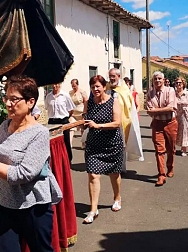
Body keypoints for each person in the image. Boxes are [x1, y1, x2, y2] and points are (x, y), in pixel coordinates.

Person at [0, 75, 62, 252]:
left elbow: (24, 174)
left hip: (33, 206)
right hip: (4, 203)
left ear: (30, 102)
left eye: (14, 99)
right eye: (7, 99)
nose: (8, 104)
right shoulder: (7, 125)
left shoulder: (38, 134)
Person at [82, 75, 124, 224]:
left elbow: (117, 123)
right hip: (94, 145)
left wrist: (98, 125)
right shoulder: (89, 102)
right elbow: (85, 117)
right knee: (93, 175)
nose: (95, 89)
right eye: (93, 87)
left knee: (114, 173)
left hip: (112, 144)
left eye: (98, 86)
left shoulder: (114, 101)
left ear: (104, 87)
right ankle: (93, 210)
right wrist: (83, 124)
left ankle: (117, 197)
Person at [146, 71, 177, 186]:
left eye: (159, 78)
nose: (157, 81)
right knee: (159, 150)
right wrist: (159, 110)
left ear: (163, 80)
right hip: (157, 124)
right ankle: (161, 174)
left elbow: (171, 108)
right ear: (152, 80)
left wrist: (156, 110)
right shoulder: (150, 92)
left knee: (171, 149)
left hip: (170, 123)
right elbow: (149, 110)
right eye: (155, 79)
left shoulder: (170, 90)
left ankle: (170, 167)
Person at [107, 68, 144, 165]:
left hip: (123, 121)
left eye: (113, 76)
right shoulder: (107, 88)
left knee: (121, 143)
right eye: (110, 76)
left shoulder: (124, 89)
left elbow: (129, 106)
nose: (111, 78)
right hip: (108, 120)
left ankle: (120, 166)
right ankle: (110, 164)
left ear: (118, 77)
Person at [45, 83, 75, 162]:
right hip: (52, 121)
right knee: (52, 142)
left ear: (60, 84)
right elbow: (47, 108)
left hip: (63, 121)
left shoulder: (65, 95)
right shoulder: (48, 96)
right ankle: (55, 160)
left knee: (65, 141)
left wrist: (66, 118)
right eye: (53, 84)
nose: (54, 86)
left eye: (56, 84)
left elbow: (71, 109)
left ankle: (68, 159)